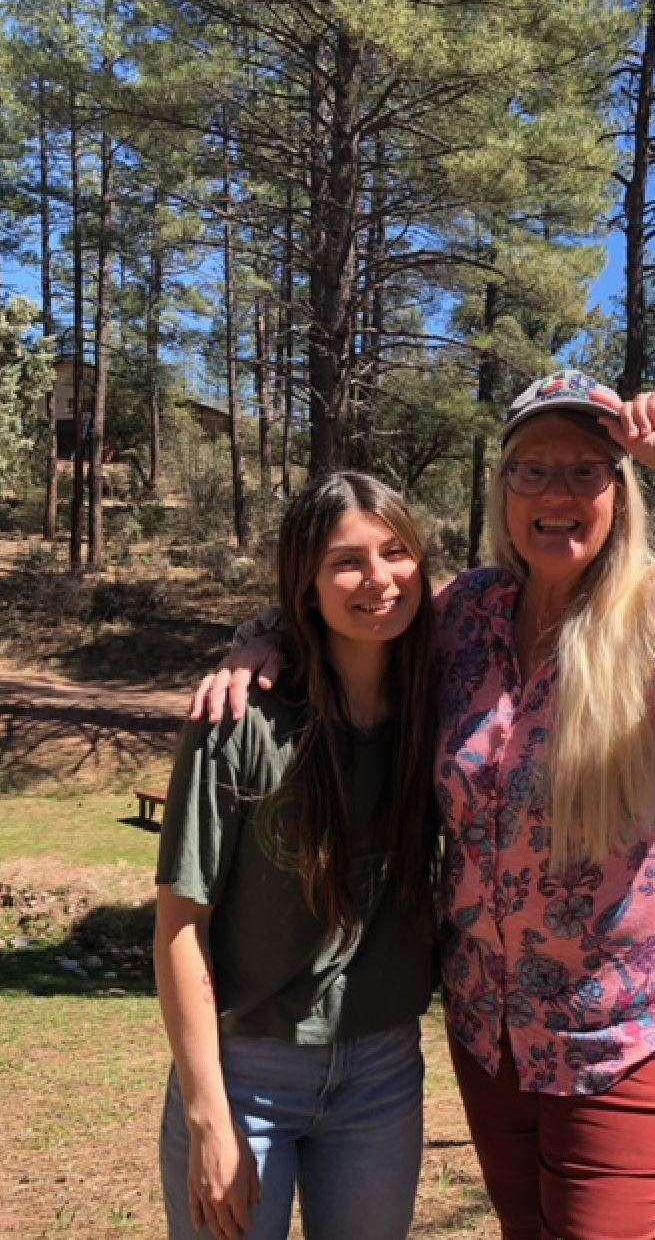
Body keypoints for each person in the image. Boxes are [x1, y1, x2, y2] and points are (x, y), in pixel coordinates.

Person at [192, 370, 655, 1240]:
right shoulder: (471, 614)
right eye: (532, 470)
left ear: (620, 492)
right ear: (503, 489)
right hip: (491, 1032)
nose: (558, 493)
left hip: (633, 1030)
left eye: (587, 469)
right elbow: (357, 612)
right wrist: (260, 640)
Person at [155, 471, 440, 1240]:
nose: (379, 579)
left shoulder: (441, 702)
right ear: (305, 586)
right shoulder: (238, 721)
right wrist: (208, 1113)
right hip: (247, 1071)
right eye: (346, 562)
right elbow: (181, 925)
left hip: (383, 1070)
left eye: (395, 552)